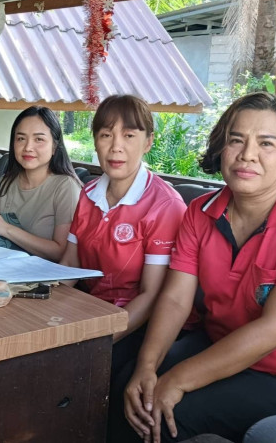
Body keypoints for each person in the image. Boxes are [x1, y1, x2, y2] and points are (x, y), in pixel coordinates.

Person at [115, 92, 276, 443]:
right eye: (236, 140)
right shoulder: (200, 211)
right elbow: (176, 300)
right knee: (127, 383)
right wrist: (147, 368)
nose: (247, 154)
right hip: (214, 346)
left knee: (165, 416)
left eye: (266, 143)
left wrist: (176, 380)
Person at [59, 95, 187, 377]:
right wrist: (40, 304)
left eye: (129, 135)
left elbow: (152, 295)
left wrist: (97, 339)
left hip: (137, 324)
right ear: (95, 141)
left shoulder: (165, 206)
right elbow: (70, 265)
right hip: (91, 308)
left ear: (148, 142)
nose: (116, 146)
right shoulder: (88, 193)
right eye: (106, 135)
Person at [0, 106, 82, 262]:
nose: (28, 147)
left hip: (44, 273)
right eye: (21, 139)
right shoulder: (7, 181)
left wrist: (6, 229)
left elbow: (62, 253)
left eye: (39, 139)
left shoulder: (66, 187)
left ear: (55, 147)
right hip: (3, 265)